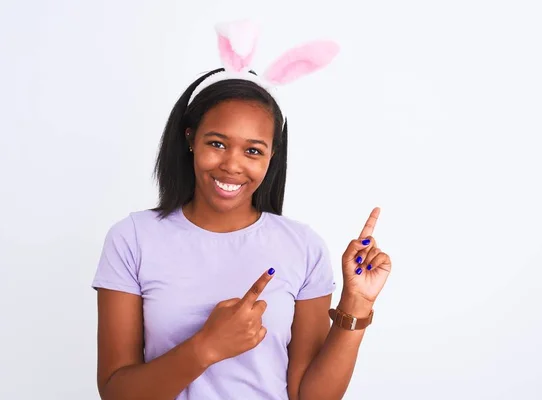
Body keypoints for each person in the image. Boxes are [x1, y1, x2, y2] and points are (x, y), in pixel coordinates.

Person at [92, 20, 392, 400]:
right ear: (190, 138)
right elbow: (117, 392)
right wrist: (206, 347)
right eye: (217, 143)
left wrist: (355, 304)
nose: (232, 165)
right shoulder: (132, 239)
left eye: (253, 151)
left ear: (271, 158)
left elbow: (311, 397)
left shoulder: (303, 246)